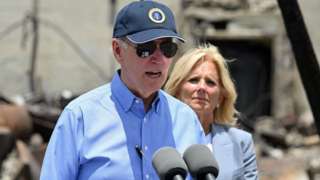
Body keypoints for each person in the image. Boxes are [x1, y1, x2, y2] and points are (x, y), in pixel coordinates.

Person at [39, 1, 206, 180]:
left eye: (167, 48)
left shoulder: (186, 119)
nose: (158, 59)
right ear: (118, 50)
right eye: (145, 49)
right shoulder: (80, 117)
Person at [164, 44, 259, 180]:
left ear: (221, 96)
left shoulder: (241, 142)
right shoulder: (158, 138)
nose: (202, 87)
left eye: (210, 82)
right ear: (177, 90)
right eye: (194, 80)